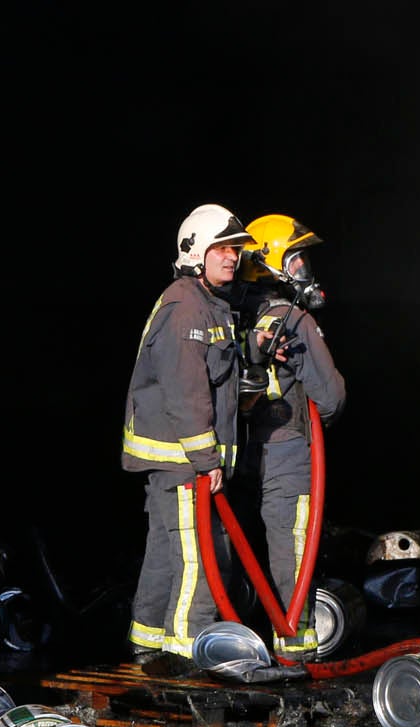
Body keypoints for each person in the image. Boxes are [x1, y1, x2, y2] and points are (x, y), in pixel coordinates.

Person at [121, 204, 252, 675]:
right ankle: (184, 655)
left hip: (178, 462)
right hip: (183, 462)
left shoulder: (206, 305)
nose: (232, 257)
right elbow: (186, 391)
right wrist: (206, 458)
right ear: (195, 250)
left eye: (234, 249)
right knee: (200, 557)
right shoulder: (186, 309)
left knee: (163, 554)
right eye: (221, 248)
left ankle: (146, 645)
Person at [234, 214, 347, 660]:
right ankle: (295, 648)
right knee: (291, 552)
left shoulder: (228, 312)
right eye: (296, 258)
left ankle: (232, 643)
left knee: (234, 549)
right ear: (270, 264)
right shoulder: (292, 319)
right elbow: (332, 397)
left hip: (234, 452)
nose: (304, 269)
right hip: (285, 451)